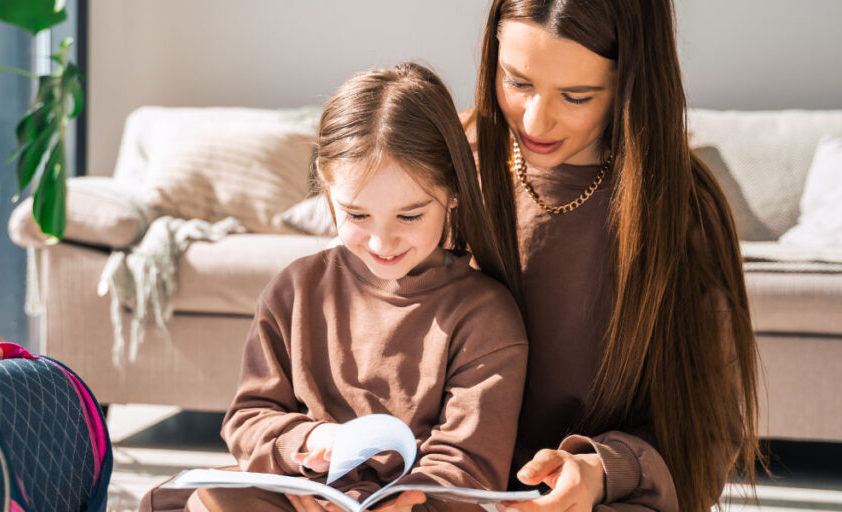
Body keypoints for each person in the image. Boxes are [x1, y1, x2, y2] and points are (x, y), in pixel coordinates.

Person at [138, 62, 529, 512]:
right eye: (357, 215)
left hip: (414, 506)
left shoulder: (484, 316)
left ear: (454, 191)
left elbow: (468, 466)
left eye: (410, 215)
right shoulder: (296, 289)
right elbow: (247, 419)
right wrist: (311, 443)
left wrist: (388, 501)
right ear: (326, 187)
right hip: (301, 493)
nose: (382, 242)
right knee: (203, 499)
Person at [459, 1, 763, 511]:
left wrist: (601, 471)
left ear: (632, 82)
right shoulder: (452, 163)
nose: (534, 120)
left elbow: (706, 434)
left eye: (576, 96)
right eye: (516, 82)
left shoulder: (683, 209)